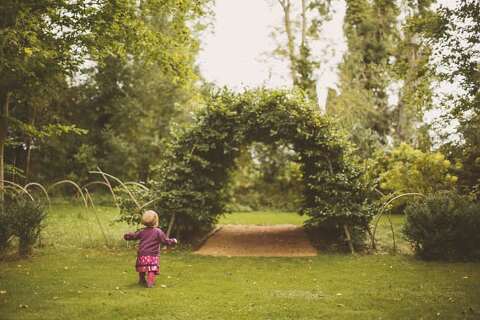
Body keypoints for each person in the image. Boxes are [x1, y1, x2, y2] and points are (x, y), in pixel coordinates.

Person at [123, 210, 177, 288]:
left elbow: (134, 236)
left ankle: (142, 280)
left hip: (142, 254)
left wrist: (128, 236)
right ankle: (150, 282)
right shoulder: (158, 232)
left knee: (142, 267)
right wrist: (173, 241)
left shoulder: (142, 231)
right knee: (152, 269)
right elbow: (165, 241)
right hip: (152, 255)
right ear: (156, 221)